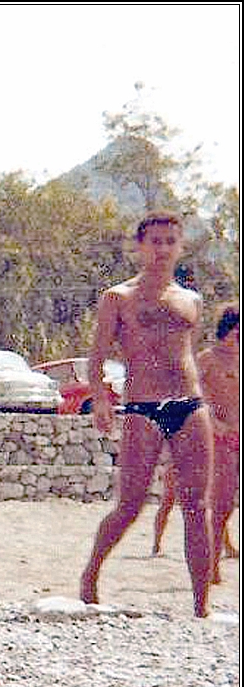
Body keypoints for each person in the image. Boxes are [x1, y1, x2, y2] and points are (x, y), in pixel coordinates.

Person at [80, 213, 213, 617]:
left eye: (170, 241)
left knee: (196, 505)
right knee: (131, 503)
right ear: (139, 246)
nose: (162, 248)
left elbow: (192, 355)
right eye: (155, 241)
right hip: (143, 406)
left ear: (180, 247)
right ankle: (91, 573)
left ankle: (201, 605)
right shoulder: (118, 297)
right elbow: (98, 355)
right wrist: (101, 398)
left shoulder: (190, 299)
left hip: (189, 405)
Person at [151, 305, 239, 575]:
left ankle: (218, 554)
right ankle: (210, 565)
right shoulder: (207, 359)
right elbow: (186, 392)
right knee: (218, 499)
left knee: (228, 503)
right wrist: (212, 420)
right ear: (228, 331)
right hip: (215, 437)